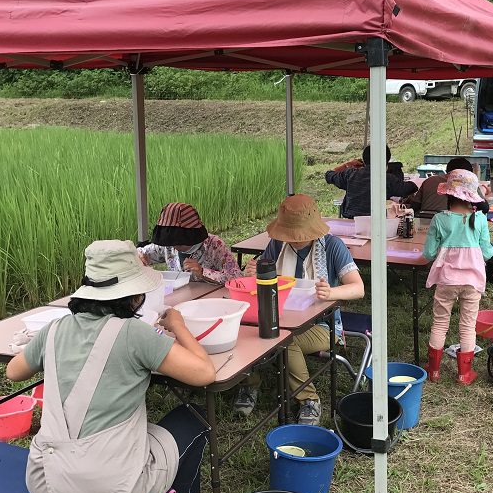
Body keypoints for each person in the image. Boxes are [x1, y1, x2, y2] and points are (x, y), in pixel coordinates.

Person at [5, 240, 217, 493]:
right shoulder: (136, 334)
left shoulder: (54, 329)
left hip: (45, 487)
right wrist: (179, 325)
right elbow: (204, 373)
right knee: (193, 418)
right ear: (135, 297)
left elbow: (13, 371)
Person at [235, 194, 365, 424]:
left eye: (298, 235)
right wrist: (254, 272)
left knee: (286, 340)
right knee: (248, 329)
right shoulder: (278, 244)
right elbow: (264, 276)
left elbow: (358, 288)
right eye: (289, 234)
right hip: (281, 314)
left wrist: (332, 293)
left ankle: (308, 400)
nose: (293, 240)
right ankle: (249, 385)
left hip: (323, 325)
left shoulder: (333, 246)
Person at [422, 169, 493, 384]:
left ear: (448, 194)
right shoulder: (479, 219)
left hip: (446, 280)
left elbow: (428, 253)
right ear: (472, 196)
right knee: (468, 325)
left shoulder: (439, 219)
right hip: (472, 281)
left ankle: (434, 371)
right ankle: (464, 374)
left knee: (440, 322)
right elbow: (488, 252)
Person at [137, 202, 241, 284]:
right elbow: (141, 252)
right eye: (172, 242)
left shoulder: (215, 245)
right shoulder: (167, 245)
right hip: (179, 299)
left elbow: (236, 277)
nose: (175, 247)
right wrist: (138, 257)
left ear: (190, 236)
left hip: (208, 301)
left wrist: (202, 272)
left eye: (179, 243)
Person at [325, 144, 418, 219]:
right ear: (386, 160)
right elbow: (411, 188)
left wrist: (348, 165)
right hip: (377, 224)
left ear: (364, 159)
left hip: (351, 221)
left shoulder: (350, 174)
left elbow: (329, 175)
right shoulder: (388, 179)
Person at [405, 156, 491, 218]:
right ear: (468, 174)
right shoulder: (468, 183)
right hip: (453, 228)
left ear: (447, 171)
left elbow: (414, 206)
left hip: (423, 225)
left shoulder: (429, 180)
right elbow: (484, 208)